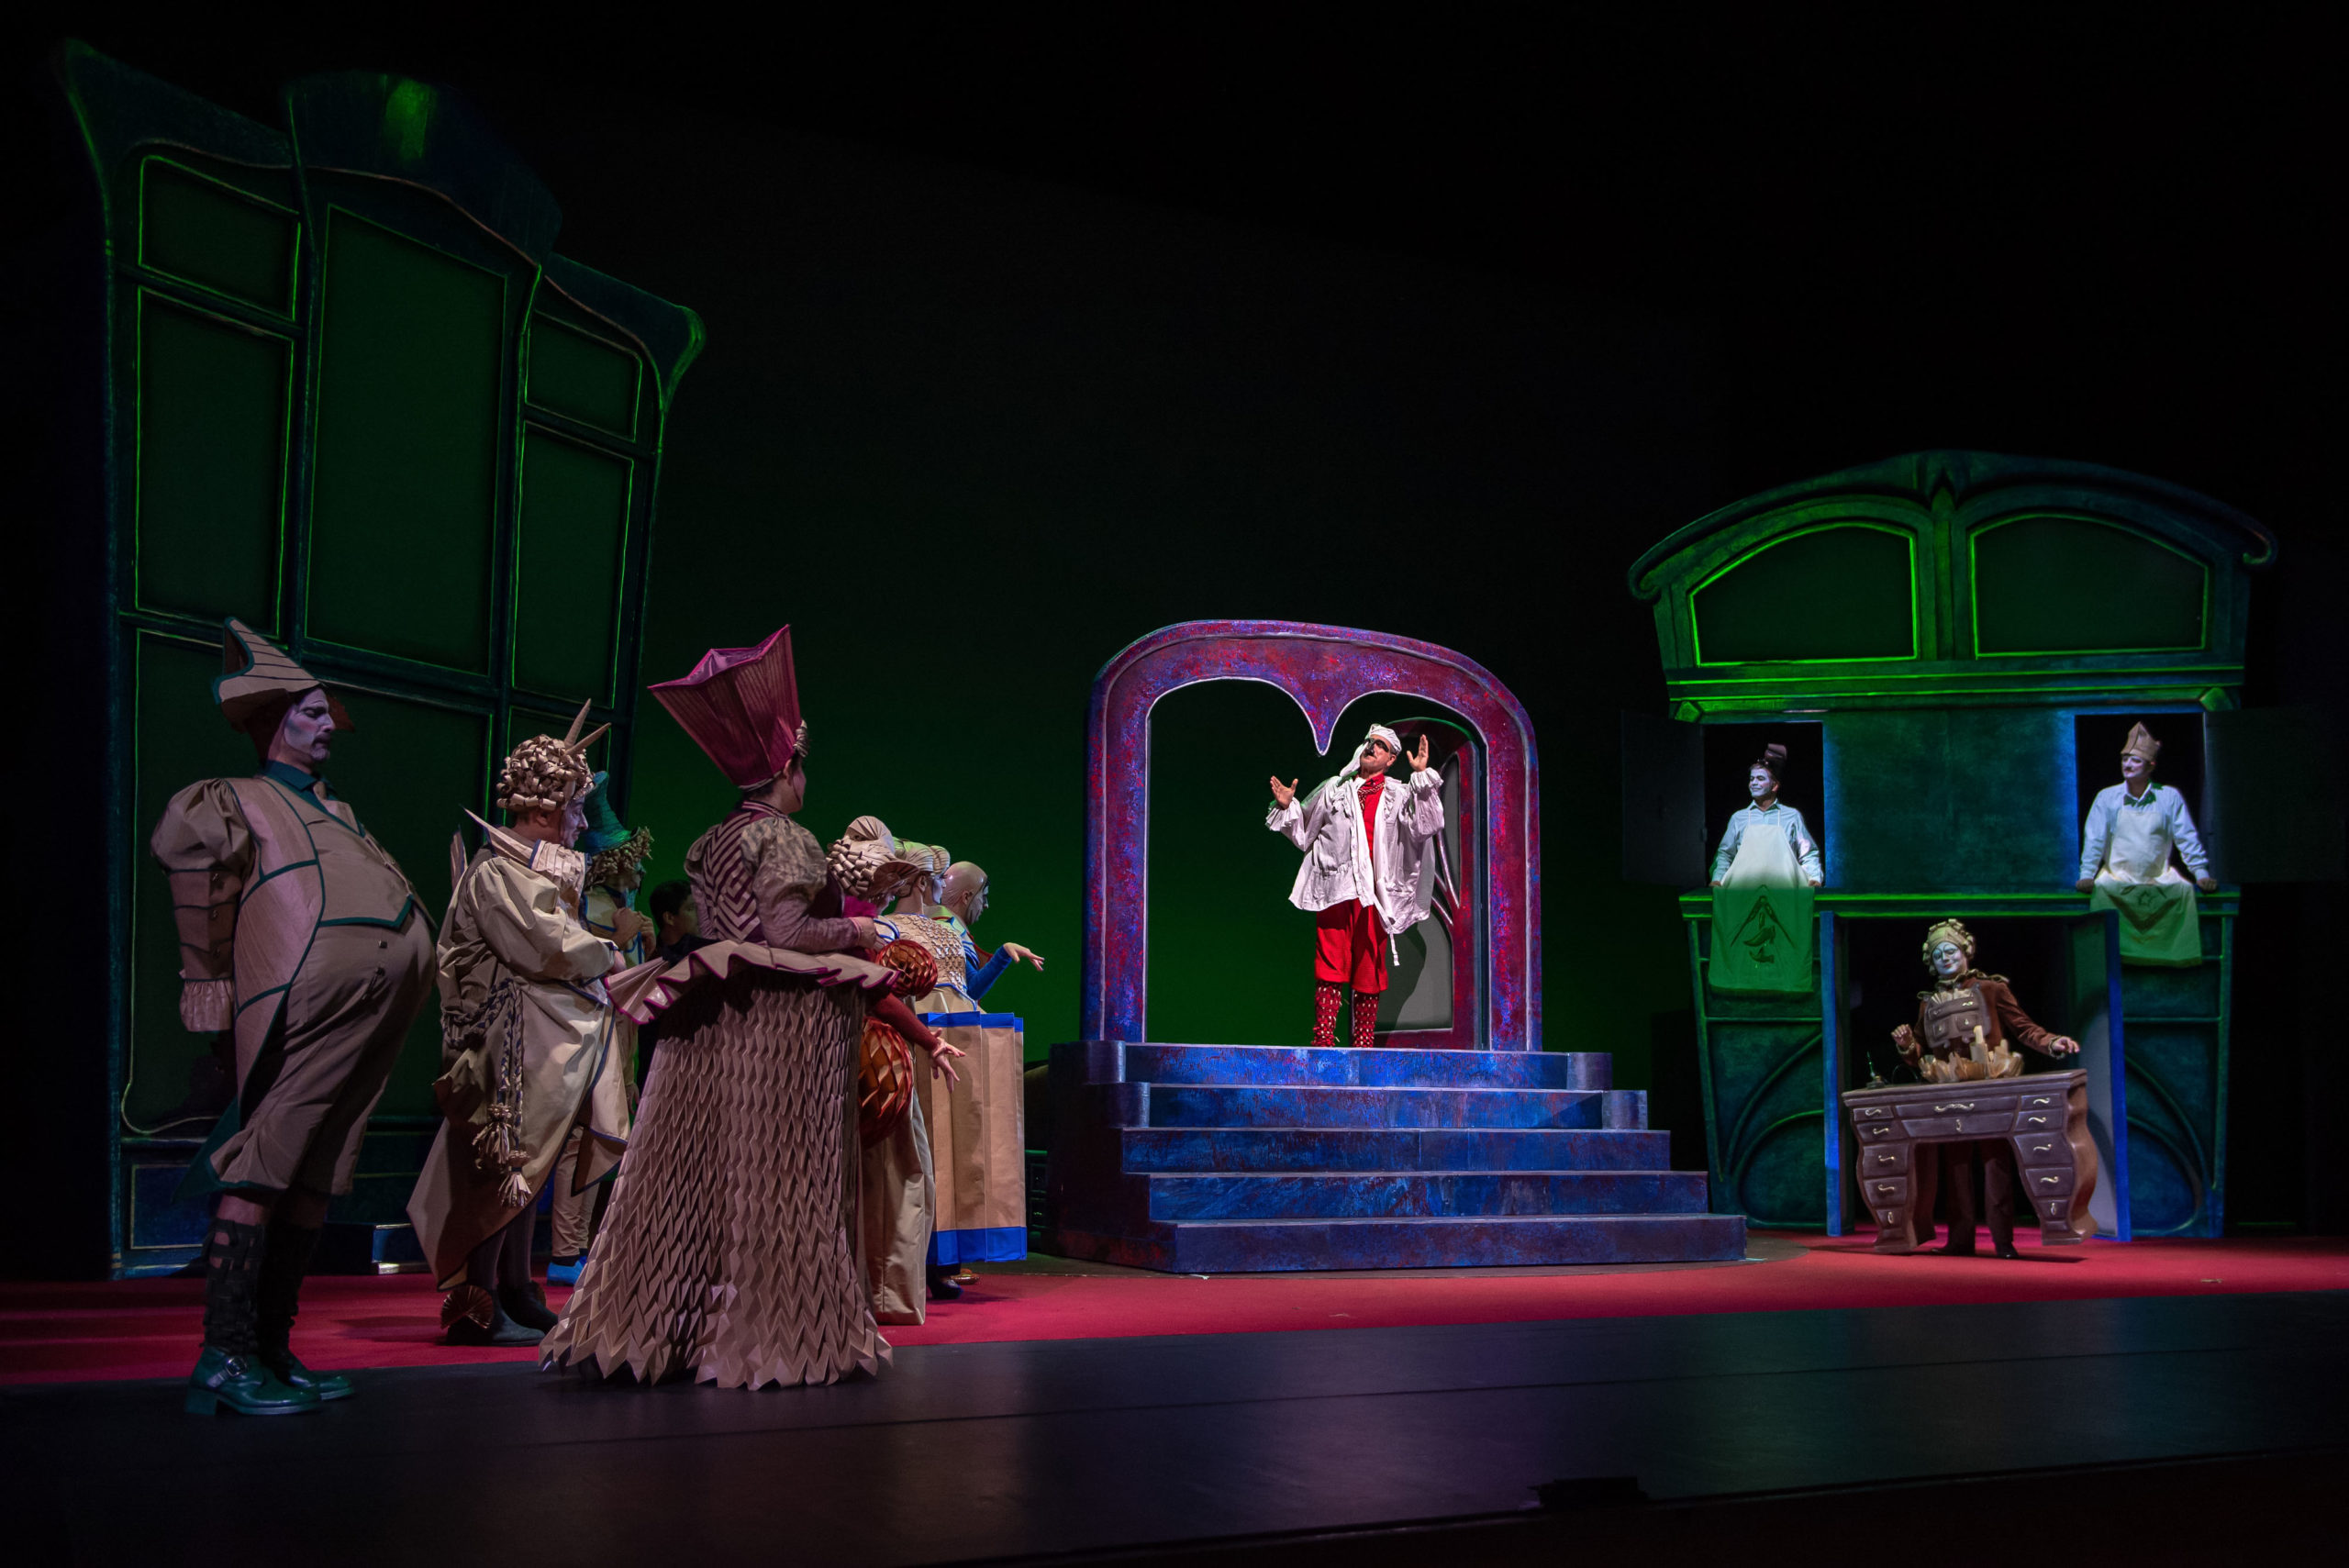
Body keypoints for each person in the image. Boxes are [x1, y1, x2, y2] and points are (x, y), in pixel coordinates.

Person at [540, 626, 960, 1388]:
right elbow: (788, 934)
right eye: (802, 765)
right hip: (780, 1028)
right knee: (778, 1177)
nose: (806, 778)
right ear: (787, 769)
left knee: (703, 1174)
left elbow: (737, 930)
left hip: (715, 1017)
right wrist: (866, 930)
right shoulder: (786, 838)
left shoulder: (715, 838)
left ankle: (680, 1323)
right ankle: (780, 1330)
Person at [155, 619, 433, 1415]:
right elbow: (199, 886)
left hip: (369, 1012)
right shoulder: (238, 799)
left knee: (317, 1170)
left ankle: (271, 1344)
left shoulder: (339, 811)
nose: (327, 726)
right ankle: (224, 1355)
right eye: (312, 712)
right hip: (308, 1004)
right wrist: (206, 983)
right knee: (265, 1159)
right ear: (275, 718)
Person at [406, 707, 634, 1346]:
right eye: (575, 809)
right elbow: (546, 942)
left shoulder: (526, 869)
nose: (580, 824)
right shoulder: (498, 871)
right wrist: (608, 950)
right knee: (504, 1166)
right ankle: (478, 1300)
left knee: (530, 1166)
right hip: (504, 1047)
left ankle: (513, 1286)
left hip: (536, 1039)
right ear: (543, 808)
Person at [1889, 919, 2080, 1259]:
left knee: (1996, 1162)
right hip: (1949, 1090)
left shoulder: (1992, 989)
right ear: (1931, 962)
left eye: (1951, 950)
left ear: (1965, 951)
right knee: (1956, 1166)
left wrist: (2052, 1042)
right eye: (1938, 954)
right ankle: (1960, 1240)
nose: (1946, 958)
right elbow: (1918, 1053)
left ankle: (2003, 1241)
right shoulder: (1928, 1003)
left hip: (1990, 1087)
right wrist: (1906, 1046)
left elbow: (2023, 1028)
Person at [904, 861, 1043, 1297]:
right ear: (966, 896)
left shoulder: (921, 925)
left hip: (927, 1032)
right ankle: (940, 1262)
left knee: (938, 1149)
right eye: (983, 895)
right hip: (943, 1038)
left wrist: (1001, 954)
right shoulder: (946, 929)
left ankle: (934, 1261)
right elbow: (964, 992)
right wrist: (1000, 957)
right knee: (952, 1148)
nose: (986, 904)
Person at [1266, 724, 1443, 1048]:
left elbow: (1427, 825)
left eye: (1380, 745)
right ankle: (1323, 1041)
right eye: (1369, 742)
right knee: (1329, 962)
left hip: (1373, 894)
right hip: (1336, 888)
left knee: (1368, 966)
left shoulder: (1398, 794)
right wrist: (1287, 806)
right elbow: (1304, 834)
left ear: (1391, 759)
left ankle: (1363, 1045)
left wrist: (1421, 778)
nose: (1371, 747)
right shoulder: (1334, 789)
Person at [547, 777, 655, 1287]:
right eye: (633, 861)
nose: (640, 870)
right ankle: (565, 1250)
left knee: (605, 1136)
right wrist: (617, 937)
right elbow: (573, 963)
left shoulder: (623, 908)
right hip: (589, 1030)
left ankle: (584, 1243)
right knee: (579, 1140)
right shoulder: (585, 906)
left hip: (621, 1034)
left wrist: (647, 947)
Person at [2076, 723, 2216, 966]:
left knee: (2184, 891)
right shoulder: (2107, 797)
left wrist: (2201, 873)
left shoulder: (2168, 796)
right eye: (2124, 759)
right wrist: (2086, 874)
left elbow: (2185, 837)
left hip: (2157, 878)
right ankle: (2114, 957)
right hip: (2118, 879)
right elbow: (2095, 839)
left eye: (2135, 760)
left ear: (2151, 766)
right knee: (2102, 891)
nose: (2128, 765)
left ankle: (2171, 957)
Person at [1709, 742, 1822, 889]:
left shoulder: (1791, 816)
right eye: (1752, 779)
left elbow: (1808, 853)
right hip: (1745, 889)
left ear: (1774, 785)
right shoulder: (1738, 818)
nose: (1753, 783)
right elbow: (1725, 854)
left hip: (1783, 889)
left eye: (1760, 779)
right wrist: (1717, 879)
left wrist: (1813, 878)